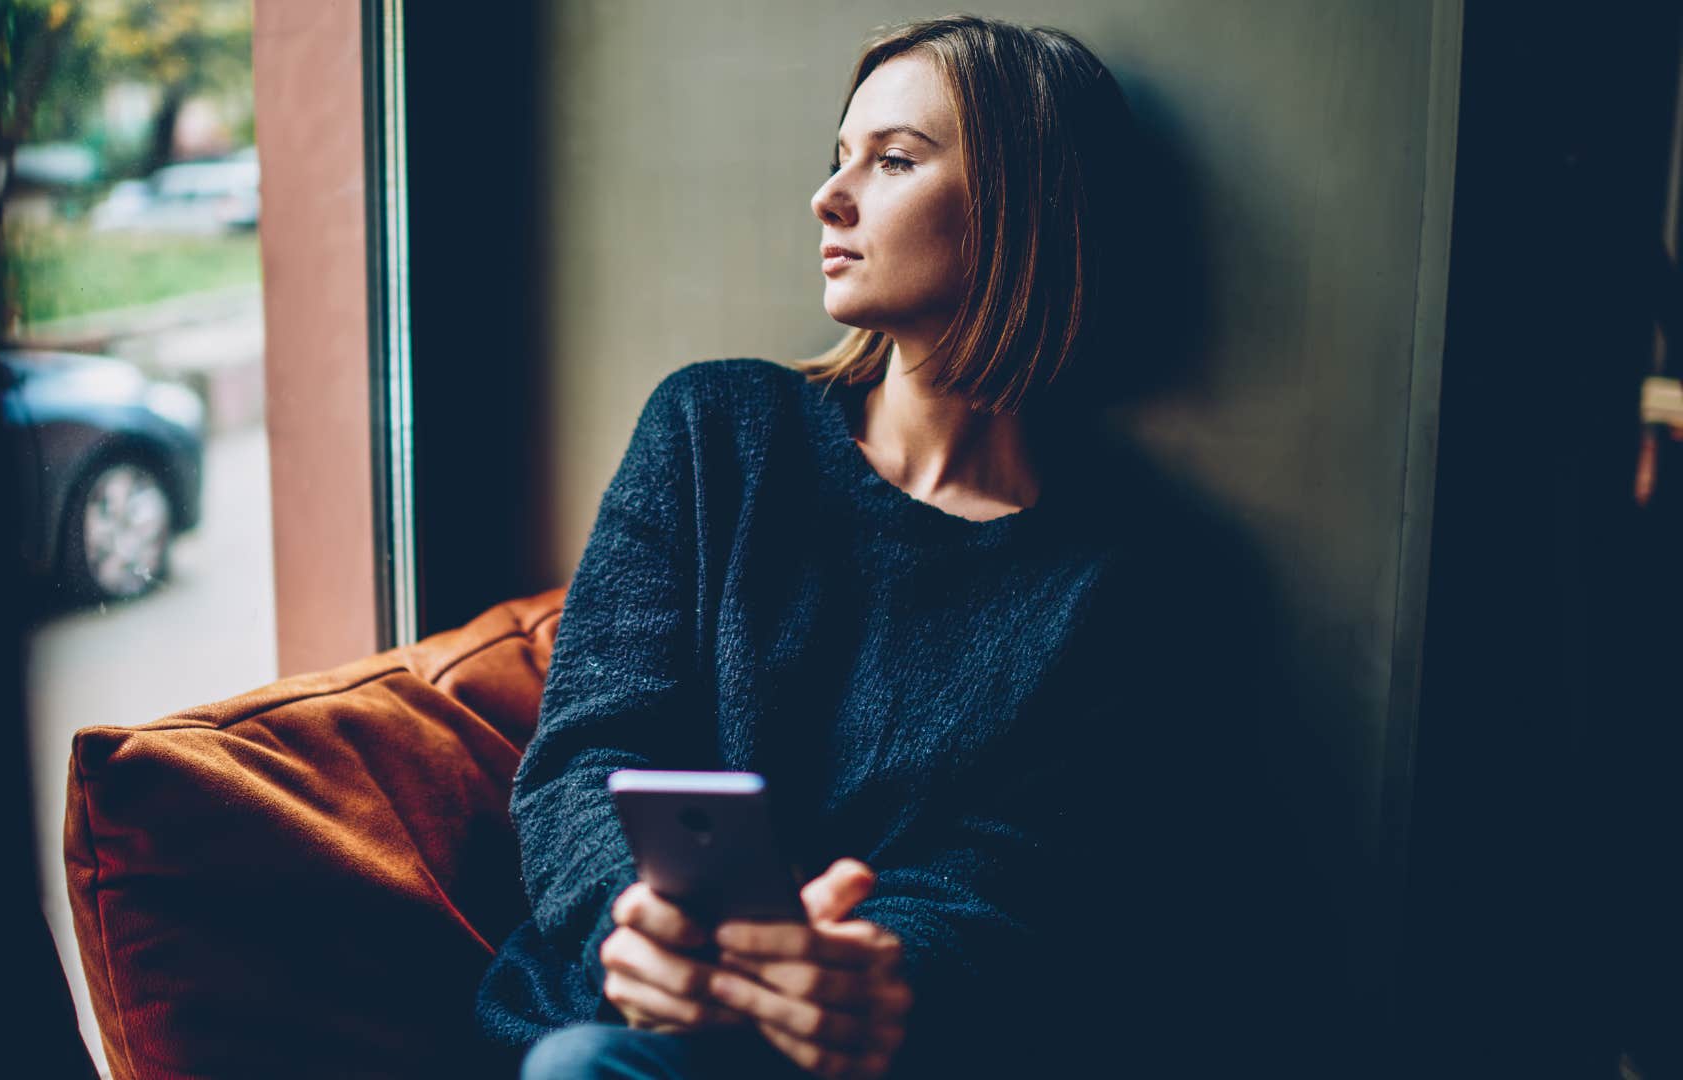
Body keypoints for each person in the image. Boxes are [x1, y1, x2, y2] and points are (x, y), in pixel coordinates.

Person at [473, 15, 1267, 1079]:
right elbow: (585, 751)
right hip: (609, 1016)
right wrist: (638, 920)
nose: (829, 196)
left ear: (1025, 207)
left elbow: (1021, 884)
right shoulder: (716, 431)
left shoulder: (1129, 574)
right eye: (837, 157)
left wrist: (880, 973)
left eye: (892, 161)